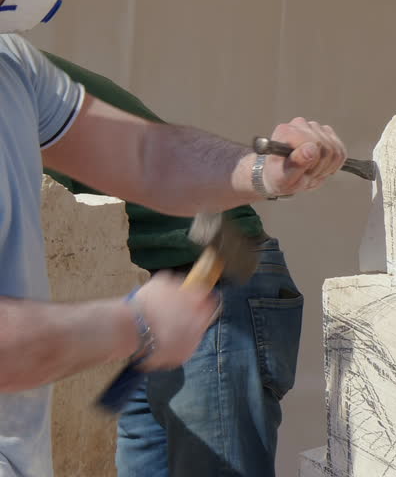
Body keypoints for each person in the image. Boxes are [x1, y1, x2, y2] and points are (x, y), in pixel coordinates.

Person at [0, 0, 346, 476]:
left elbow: (149, 157)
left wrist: (264, 170)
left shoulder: (14, 65)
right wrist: (129, 325)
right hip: (165, 295)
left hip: (206, 280)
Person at [43, 54, 306, 476]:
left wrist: (262, 171)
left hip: (216, 281)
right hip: (152, 293)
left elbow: (162, 157)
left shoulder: (18, 78)